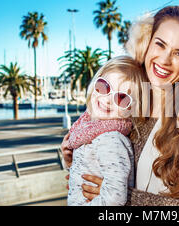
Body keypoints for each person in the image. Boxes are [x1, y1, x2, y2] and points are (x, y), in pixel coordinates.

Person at [62, 6, 179, 206]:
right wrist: (81, 163)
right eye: (160, 44)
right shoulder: (125, 103)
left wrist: (127, 198)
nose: (164, 60)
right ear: (145, 43)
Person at [61, 56, 147, 206]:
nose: (107, 99)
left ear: (133, 109)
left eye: (121, 98)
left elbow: (115, 198)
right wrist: (70, 161)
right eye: (104, 87)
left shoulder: (111, 139)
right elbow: (88, 169)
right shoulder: (91, 128)